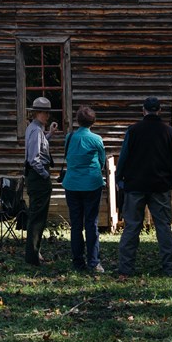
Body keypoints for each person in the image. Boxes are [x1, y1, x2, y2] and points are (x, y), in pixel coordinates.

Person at [114, 96, 172, 277]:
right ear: (159, 110)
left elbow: (123, 157)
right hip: (160, 186)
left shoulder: (133, 131)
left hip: (135, 185)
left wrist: (119, 178)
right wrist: (171, 183)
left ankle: (126, 268)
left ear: (143, 110)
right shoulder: (170, 132)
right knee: (163, 227)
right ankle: (170, 268)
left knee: (131, 227)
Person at [62, 105, 106, 274]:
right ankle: (94, 262)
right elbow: (101, 160)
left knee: (76, 224)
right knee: (91, 223)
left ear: (77, 120)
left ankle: (78, 261)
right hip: (91, 184)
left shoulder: (69, 137)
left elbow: (68, 156)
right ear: (93, 122)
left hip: (72, 184)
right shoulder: (96, 139)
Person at [23, 96, 58, 265]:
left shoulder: (36, 129)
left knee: (37, 216)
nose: (47, 116)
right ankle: (33, 257)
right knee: (37, 218)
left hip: (36, 177)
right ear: (38, 113)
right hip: (38, 178)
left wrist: (49, 134)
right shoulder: (36, 131)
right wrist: (45, 175)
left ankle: (35, 253)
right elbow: (34, 159)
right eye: (45, 113)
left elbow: (40, 147)